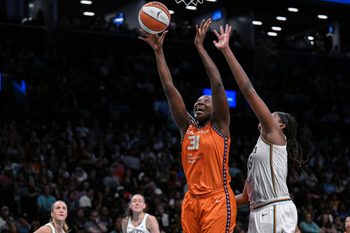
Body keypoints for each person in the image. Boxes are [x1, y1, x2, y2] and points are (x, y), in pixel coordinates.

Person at [139, 18, 236, 233]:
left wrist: (200, 47)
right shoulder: (186, 126)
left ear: (215, 109)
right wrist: (158, 52)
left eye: (206, 101)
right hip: (191, 200)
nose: (201, 102)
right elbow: (168, 86)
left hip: (217, 199)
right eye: (198, 100)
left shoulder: (220, 126)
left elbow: (217, 84)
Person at [213, 24, 305, 232]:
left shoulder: (274, 134)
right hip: (259, 212)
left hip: (273, 210)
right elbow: (246, 196)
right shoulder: (258, 151)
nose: (268, 116)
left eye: (273, 115)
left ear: (280, 125)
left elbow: (247, 89)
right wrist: (215, 202)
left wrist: (227, 51)